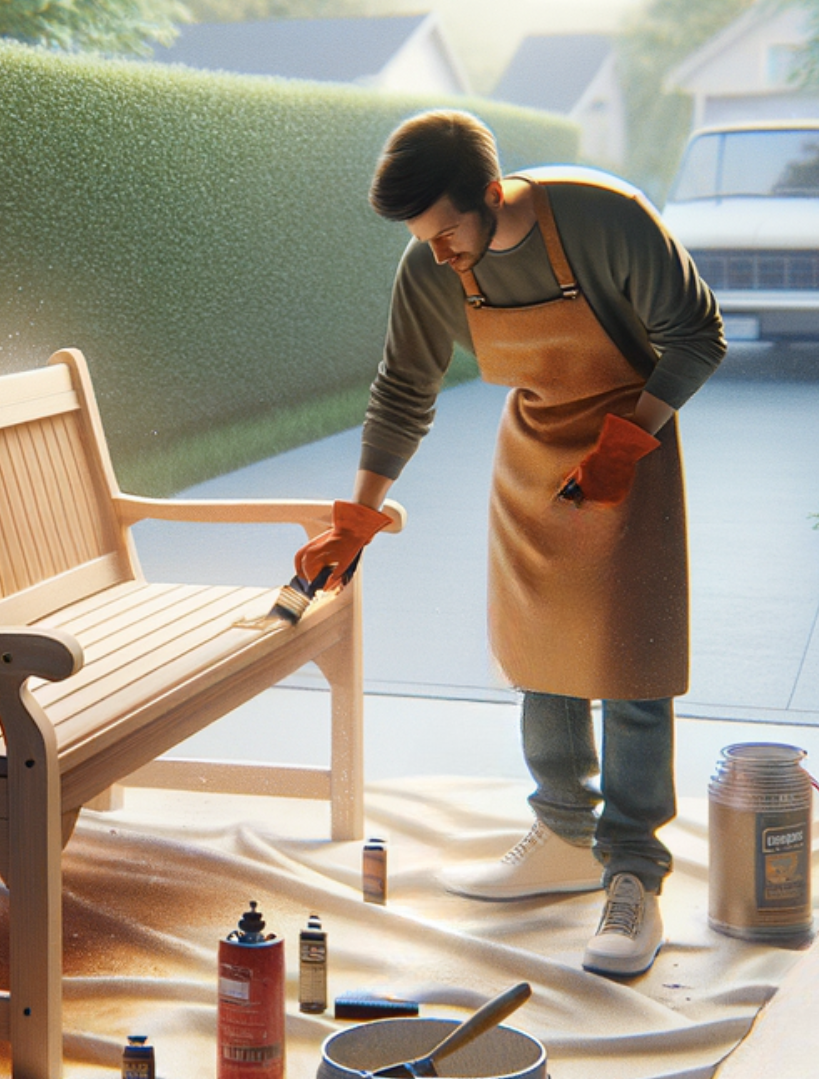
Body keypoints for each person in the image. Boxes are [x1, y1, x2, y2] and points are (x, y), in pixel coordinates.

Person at [296, 110, 725, 977]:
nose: (442, 256)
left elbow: (697, 335)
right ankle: (564, 830)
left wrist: (627, 443)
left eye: (450, 232)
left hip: (627, 443)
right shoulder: (431, 263)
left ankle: (633, 873)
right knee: (541, 645)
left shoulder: (606, 219)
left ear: (492, 193)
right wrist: (358, 519)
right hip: (531, 452)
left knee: (630, 656)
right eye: (425, 240)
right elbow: (403, 389)